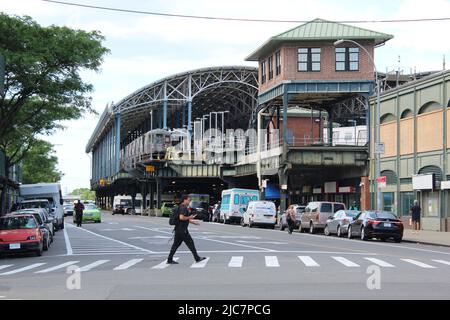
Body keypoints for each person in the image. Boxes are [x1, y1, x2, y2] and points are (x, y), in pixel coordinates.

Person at [167, 195, 206, 264]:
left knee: (175, 245)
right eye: (188, 200)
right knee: (190, 243)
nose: (189, 201)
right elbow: (181, 217)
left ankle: (169, 259)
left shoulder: (180, 206)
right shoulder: (183, 207)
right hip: (182, 230)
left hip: (178, 229)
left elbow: (183, 218)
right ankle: (197, 258)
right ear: (184, 200)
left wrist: (193, 222)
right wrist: (190, 217)